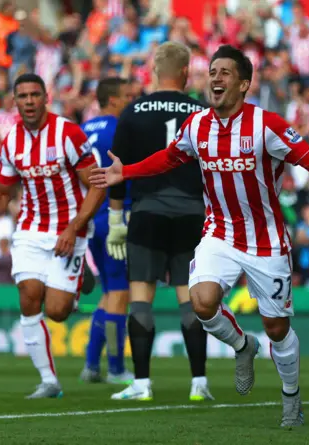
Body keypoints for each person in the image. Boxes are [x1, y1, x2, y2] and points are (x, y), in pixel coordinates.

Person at [90, 45, 309, 426]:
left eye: (225, 72)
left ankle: (291, 397)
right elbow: (170, 157)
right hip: (219, 232)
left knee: (278, 328)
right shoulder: (197, 125)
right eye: (212, 71)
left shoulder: (267, 126)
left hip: (267, 240)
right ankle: (243, 345)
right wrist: (127, 172)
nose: (216, 77)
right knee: (201, 302)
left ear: (243, 84)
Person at [0, 73, 105, 399]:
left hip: (69, 229)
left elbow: (97, 185)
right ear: (15, 101)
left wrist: (74, 228)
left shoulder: (68, 133)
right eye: (23, 96)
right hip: (31, 229)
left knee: (58, 311)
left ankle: (77, 277)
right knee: (29, 296)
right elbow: (4, 192)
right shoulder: (10, 142)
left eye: (35, 95)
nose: (29, 101)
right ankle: (49, 381)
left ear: (46, 97)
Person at [105, 41, 212, 402]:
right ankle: (199, 383)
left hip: (147, 212)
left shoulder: (134, 110)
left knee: (140, 299)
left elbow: (116, 168)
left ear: (154, 69)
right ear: (185, 72)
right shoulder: (202, 112)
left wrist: (116, 218)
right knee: (190, 299)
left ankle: (142, 384)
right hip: (191, 214)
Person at [79, 77, 135, 385]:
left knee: (109, 292)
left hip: (93, 217)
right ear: (113, 100)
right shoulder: (120, 129)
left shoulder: (84, 131)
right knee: (119, 293)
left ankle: (91, 365)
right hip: (118, 214)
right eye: (127, 96)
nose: (131, 101)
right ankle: (115, 368)